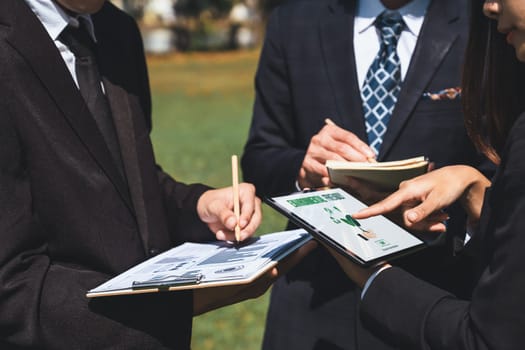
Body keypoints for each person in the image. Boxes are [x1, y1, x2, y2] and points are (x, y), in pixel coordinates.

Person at [0, 0, 316, 349]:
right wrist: (174, 306)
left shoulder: (117, 31)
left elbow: (124, 182)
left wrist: (198, 206)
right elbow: (12, 286)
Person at [241, 0, 493, 349]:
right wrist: (303, 169)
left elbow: (499, 168)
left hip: (435, 300)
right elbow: (260, 155)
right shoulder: (295, 18)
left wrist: (449, 205)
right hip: (313, 304)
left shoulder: (481, 20)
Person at [325, 1, 525, 348]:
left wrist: (371, 275)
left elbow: (491, 339)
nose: (489, 7)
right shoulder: (295, 21)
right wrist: (477, 190)